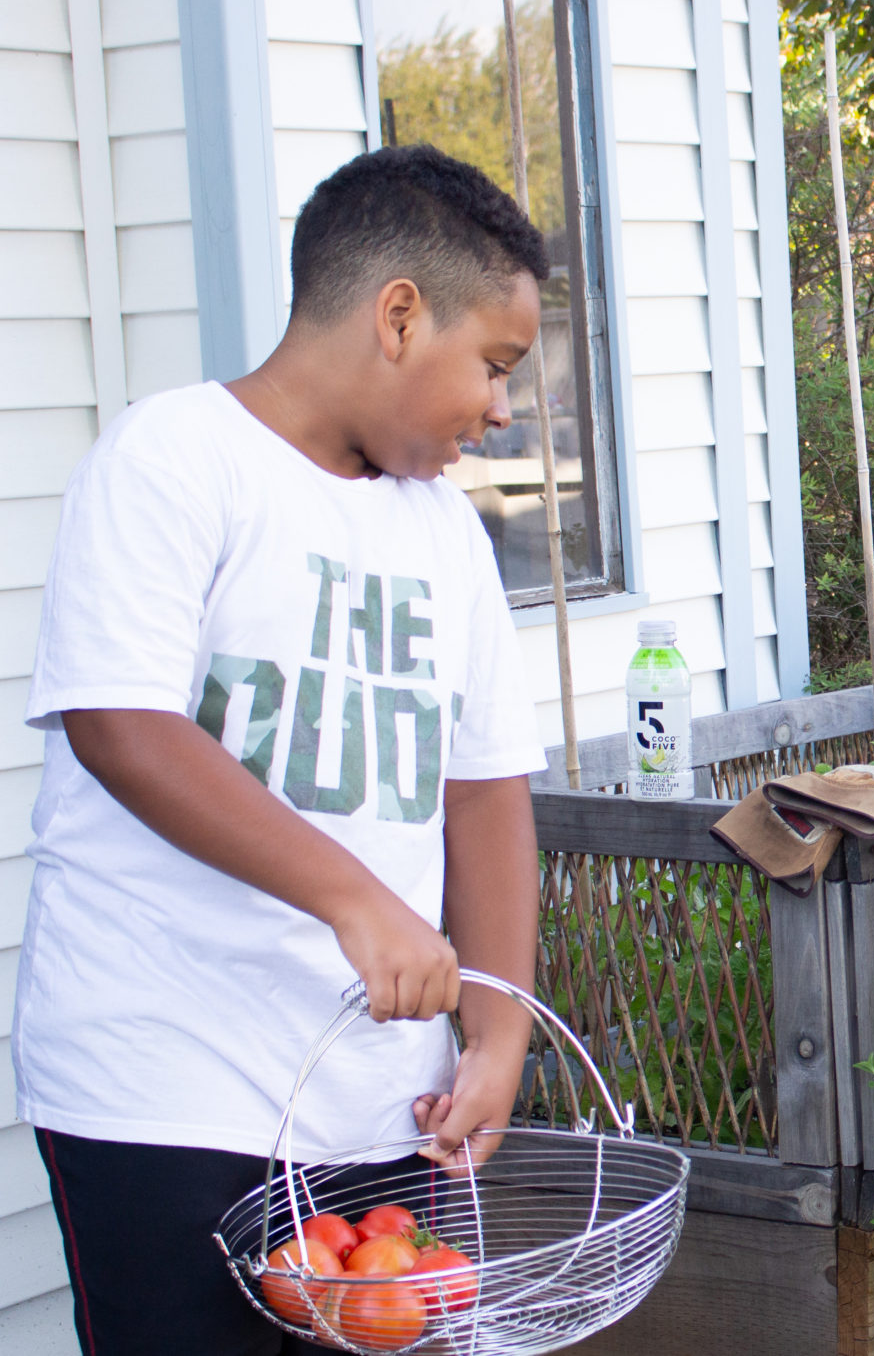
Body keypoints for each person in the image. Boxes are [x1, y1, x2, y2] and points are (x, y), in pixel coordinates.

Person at [15, 145, 552, 1355]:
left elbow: (483, 793)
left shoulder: (447, 538)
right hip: (164, 1088)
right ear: (399, 317)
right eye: (496, 365)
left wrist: (500, 1028)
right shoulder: (173, 459)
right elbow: (120, 721)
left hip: (382, 1105)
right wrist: (353, 899)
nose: (504, 407)